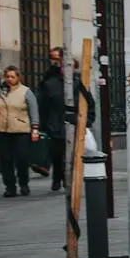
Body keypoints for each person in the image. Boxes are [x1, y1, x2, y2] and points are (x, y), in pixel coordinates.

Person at [37, 47, 96, 191]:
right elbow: (43, 105)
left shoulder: (79, 83)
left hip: (74, 123)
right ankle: (58, 178)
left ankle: (68, 179)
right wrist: (42, 125)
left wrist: (87, 120)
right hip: (55, 125)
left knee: (72, 155)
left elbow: (89, 103)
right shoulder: (50, 84)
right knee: (57, 154)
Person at [0, 66, 41, 197]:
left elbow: (33, 110)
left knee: (22, 158)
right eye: (7, 77)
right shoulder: (1, 91)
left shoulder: (25, 92)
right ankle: (10, 187)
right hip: (2, 130)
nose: (10, 79)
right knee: (5, 160)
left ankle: (24, 183)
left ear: (18, 78)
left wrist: (35, 128)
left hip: (21, 130)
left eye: (13, 77)